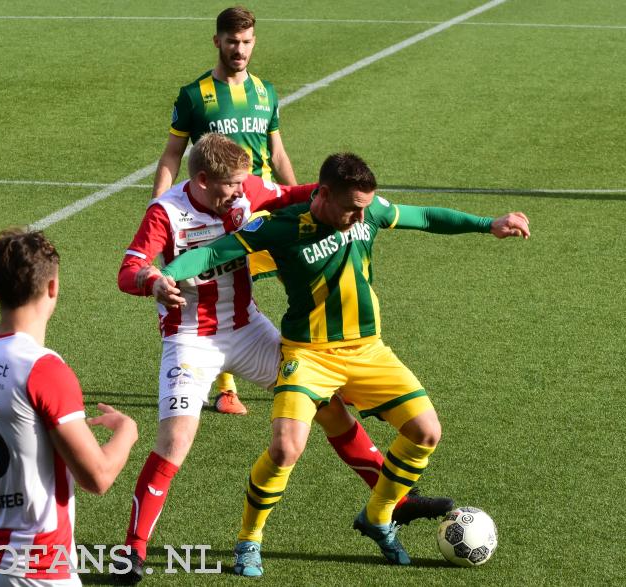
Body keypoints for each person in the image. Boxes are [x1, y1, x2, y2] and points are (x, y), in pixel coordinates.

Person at [154, 153, 531, 576]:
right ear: (324, 193)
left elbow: (424, 216)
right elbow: (211, 254)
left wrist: (487, 224)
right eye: (352, 207)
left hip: (369, 351)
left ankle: (378, 515)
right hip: (308, 356)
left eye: (365, 207)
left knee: (426, 431)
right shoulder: (280, 226)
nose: (359, 216)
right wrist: (167, 274)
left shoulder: (368, 213)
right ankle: (248, 541)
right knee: (285, 449)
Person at [116, 134, 451, 584]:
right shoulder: (165, 212)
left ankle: (394, 503)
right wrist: (153, 280)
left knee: (326, 404)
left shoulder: (248, 189)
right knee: (176, 441)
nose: (241, 191)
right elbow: (130, 267)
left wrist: (349, 198)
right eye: (232, 185)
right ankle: (133, 550)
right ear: (201, 180)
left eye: (243, 182)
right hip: (190, 339)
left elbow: (297, 194)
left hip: (248, 327)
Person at [0, 229, 138, 586]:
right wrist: (127, 431)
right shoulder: (43, 369)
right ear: (53, 288)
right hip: (42, 570)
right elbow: (98, 476)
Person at [151, 5, 298, 415]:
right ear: (217, 41)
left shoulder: (266, 92)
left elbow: (277, 152)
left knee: (293, 277)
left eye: (247, 42)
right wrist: (157, 205)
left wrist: (298, 201)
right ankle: (227, 385)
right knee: (224, 286)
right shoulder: (194, 95)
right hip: (217, 215)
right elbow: (171, 155)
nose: (240, 49)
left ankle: (299, 360)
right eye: (232, 41)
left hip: (264, 210)